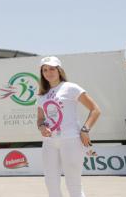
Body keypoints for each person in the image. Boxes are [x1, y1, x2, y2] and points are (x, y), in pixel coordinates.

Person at [37, 56, 101, 197]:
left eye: (52, 68)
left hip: (71, 140)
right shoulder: (42, 95)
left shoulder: (71, 88)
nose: (48, 72)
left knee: (73, 184)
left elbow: (95, 109)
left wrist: (85, 129)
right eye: (45, 70)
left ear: (59, 70)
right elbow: (40, 119)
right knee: (51, 183)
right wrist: (42, 127)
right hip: (49, 143)